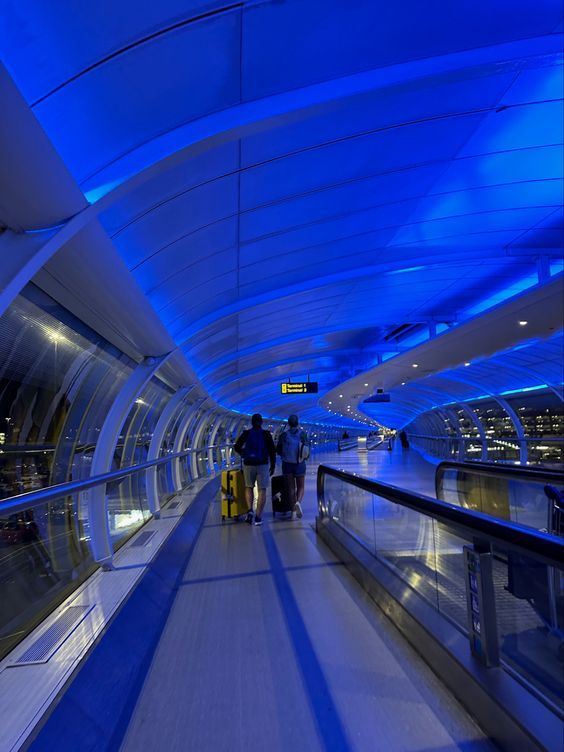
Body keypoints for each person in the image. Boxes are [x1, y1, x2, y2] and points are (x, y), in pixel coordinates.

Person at [234, 413, 276, 526]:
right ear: (261, 422)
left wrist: (243, 454)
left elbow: (236, 446)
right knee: (262, 490)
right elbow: (272, 451)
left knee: (249, 487)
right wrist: (273, 465)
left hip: (248, 464)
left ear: (252, 422)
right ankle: (258, 517)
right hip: (262, 464)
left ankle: (249, 511)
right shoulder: (266, 434)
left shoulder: (246, 433)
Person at [277, 414, 310, 519]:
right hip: (299, 464)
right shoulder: (303, 434)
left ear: (288, 423)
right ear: (297, 423)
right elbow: (307, 450)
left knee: (291, 488)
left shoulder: (283, 435)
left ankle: (293, 512)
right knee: (301, 486)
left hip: (287, 464)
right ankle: (298, 503)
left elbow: (278, 450)